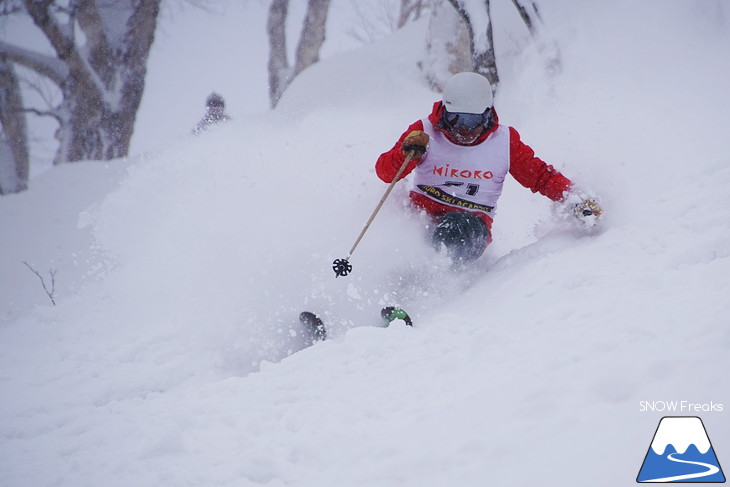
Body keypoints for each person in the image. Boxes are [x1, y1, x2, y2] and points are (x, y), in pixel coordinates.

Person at [375, 71, 601, 263]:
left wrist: (575, 199)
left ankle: (430, 294)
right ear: (445, 111)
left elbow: (540, 176)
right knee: (399, 236)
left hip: (470, 225)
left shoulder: (503, 141)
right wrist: (406, 153)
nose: (463, 129)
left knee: (454, 230)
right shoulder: (425, 131)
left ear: (486, 115)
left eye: (471, 121)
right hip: (421, 218)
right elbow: (385, 173)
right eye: (456, 119)